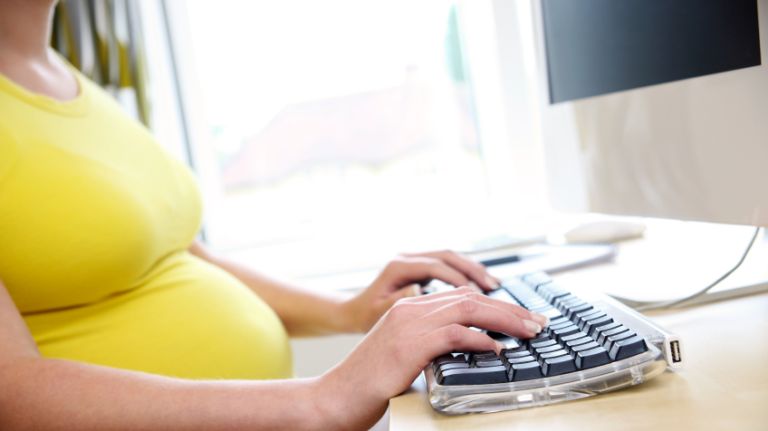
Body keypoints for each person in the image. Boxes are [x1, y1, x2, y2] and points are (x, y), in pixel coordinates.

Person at [0, 1, 548, 429]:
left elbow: (178, 255)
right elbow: (9, 390)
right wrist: (321, 400)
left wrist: (350, 312)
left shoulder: (64, 76)